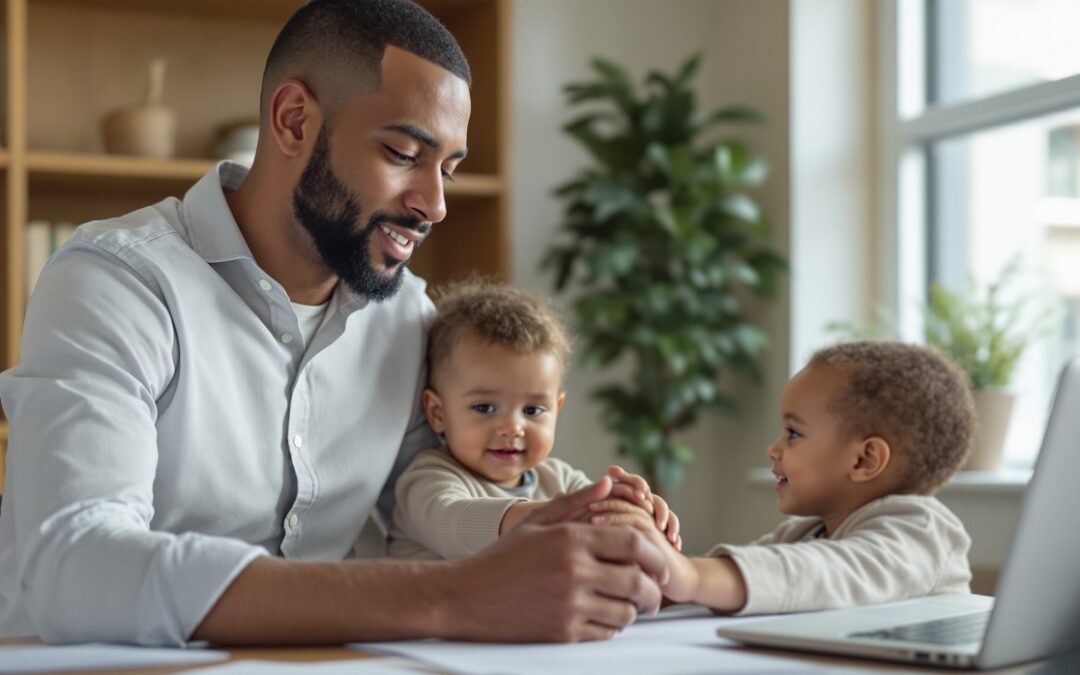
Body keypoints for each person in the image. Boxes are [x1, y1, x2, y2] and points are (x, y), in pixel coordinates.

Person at [0, 0, 668, 646]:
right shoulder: (116, 281)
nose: (434, 204)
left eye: (449, 170)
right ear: (293, 121)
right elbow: (74, 564)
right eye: (406, 153)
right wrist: (453, 597)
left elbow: (426, 498)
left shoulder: (407, 316)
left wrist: (538, 521)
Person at [591, 341, 975, 614]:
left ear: (865, 459)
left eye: (793, 434)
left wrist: (691, 575)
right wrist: (651, 573)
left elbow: (822, 574)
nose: (773, 449)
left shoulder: (923, 530)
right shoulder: (804, 532)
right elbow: (743, 579)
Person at [388, 279, 681, 560]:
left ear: (557, 408)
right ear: (438, 413)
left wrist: (635, 512)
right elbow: (457, 523)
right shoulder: (425, 480)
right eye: (485, 408)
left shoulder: (559, 480)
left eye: (532, 411)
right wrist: (556, 515)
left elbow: (599, 521)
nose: (513, 428)